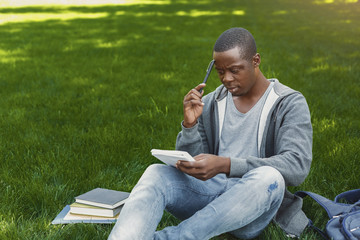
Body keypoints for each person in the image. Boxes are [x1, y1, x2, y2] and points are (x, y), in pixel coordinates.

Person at [108, 27, 312, 239]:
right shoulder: (211, 102)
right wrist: (190, 126)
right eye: (220, 72)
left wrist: (226, 164)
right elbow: (194, 162)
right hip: (210, 198)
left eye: (235, 70)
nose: (227, 79)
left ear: (256, 60)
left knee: (270, 176)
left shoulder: (288, 103)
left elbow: (296, 165)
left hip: (252, 204)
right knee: (155, 172)